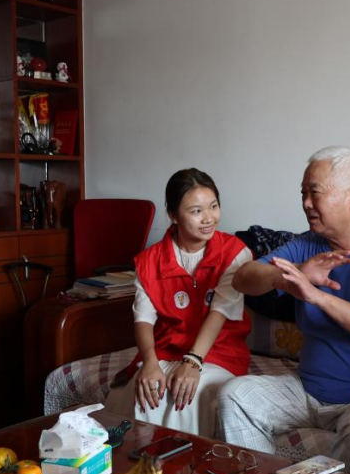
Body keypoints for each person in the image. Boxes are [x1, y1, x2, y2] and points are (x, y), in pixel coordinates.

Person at [218, 146, 350, 474]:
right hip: (308, 390)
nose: (306, 203)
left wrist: (317, 297)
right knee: (235, 396)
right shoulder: (306, 245)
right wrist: (293, 273)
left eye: (315, 192)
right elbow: (243, 278)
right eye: (303, 193)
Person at [105, 168, 252, 436]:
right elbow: (143, 318)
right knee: (147, 389)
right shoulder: (149, 260)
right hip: (165, 349)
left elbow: (219, 311)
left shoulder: (235, 252)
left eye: (214, 206)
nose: (208, 218)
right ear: (173, 215)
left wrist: (192, 363)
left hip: (218, 351)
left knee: (191, 393)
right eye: (196, 211)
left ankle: (189, 460)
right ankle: (145, 460)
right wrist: (149, 362)